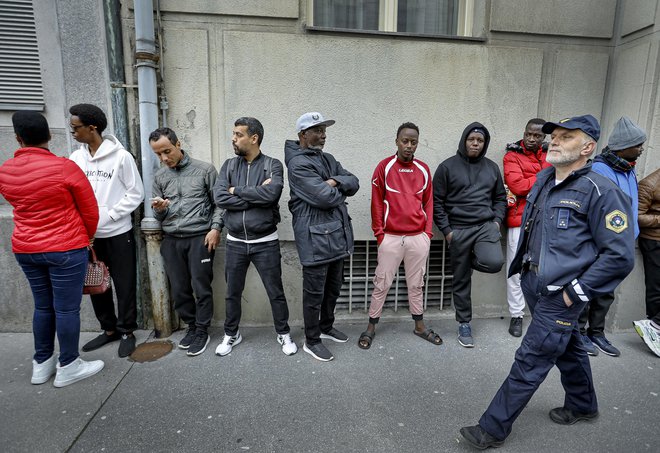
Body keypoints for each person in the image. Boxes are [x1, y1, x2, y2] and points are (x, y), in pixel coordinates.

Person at [460, 115, 635, 449]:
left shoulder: (602, 192)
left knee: (532, 358)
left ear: (588, 147)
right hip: (534, 284)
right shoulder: (544, 179)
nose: (554, 140)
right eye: (554, 136)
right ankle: (583, 405)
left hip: (561, 294)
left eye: (567, 137)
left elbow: (619, 256)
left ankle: (492, 428)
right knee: (567, 347)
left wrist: (576, 293)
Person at [0, 111, 104, 387]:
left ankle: (41, 364)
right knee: (67, 309)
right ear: (48, 136)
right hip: (66, 247)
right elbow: (90, 211)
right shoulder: (65, 167)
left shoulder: (6, 170)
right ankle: (68, 364)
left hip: (26, 248)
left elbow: (15, 201)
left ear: (18, 138)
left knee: (42, 306)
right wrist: (87, 237)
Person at [213, 117, 296, 356]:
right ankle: (231, 334)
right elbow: (220, 198)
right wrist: (255, 193)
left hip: (265, 242)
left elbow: (271, 195)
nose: (233, 138)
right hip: (236, 242)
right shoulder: (229, 165)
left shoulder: (273, 164)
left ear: (254, 138)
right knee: (232, 293)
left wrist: (236, 191)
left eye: (238, 134)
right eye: (233, 133)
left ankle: (283, 333)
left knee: (275, 292)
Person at [69, 104, 144, 358]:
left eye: (76, 127)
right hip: (88, 235)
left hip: (117, 231)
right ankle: (108, 329)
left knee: (123, 284)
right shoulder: (76, 158)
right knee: (95, 284)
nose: (73, 132)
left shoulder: (121, 157)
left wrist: (110, 215)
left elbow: (136, 192)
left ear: (93, 128)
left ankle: (126, 331)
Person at [284, 112, 359, 362]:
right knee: (314, 294)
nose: (323, 134)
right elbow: (323, 197)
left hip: (336, 236)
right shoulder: (297, 164)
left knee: (333, 288)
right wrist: (337, 189)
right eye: (317, 130)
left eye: (324, 129)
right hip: (314, 239)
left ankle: (326, 327)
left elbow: (354, 182)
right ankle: (312, 340)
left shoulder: (328, 159)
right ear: (302, 135)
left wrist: (334, 181)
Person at [358, 122, 440, 349]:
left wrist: (427, 234)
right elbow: (376, 203)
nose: (409, 146)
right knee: (381, 283)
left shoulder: (423, 169)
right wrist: (380, 235)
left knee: (416, 285)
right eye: (405, 141)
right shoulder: (384, 167)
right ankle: (371, 327)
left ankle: (420, 326)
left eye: (413, 142)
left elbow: (429, 203)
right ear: (396, 141)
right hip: (391, 237)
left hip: (417, 238)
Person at [432, 122, 506, 347]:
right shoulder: (447, 167)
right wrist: (447, 232)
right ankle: (464, 323)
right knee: (461, 279)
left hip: (485, 226)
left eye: (480, 141)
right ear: (464, 140)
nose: (475, 143)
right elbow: (436, 202)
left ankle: (471, 258)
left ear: (485, 144)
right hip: (459, 229)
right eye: (471, 139)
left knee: (494, 262)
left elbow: (500, 198)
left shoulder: (492, 168)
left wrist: (496, 222)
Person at [150, 127, 221, 357]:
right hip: (171, 240)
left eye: (167, 151)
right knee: (179, 289)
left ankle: (202, 330)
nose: (163, 158)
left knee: (201, 287)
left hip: (199, 238)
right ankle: (191, 326)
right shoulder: (160, 177)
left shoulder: (205, 170)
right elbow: (158, 217)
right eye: (158, 154)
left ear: (178, 144)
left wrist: (215, 228)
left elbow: (220, 203)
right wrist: (159, 210)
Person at [577, 116, 645, 357]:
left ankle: (597, 333)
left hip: (623, 241)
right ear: (623, 145)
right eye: (637, 145)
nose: (641, 149)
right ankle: (581, 333)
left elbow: (631, 205)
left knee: (607, 291)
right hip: (601, 242)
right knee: (590, 287)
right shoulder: (599, 169)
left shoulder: (628, 169)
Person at [503, 118, 550, 337]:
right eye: (528, 134)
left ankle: (541, 314)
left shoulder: (552, 156)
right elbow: (518, 186)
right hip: (519, 221)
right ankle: (516, 315)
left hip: (546, 220)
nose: (531, 139)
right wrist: (546, 177)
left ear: (543, 138)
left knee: (543, 268)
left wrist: (534, 179)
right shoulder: (512, 155)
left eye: (537, 136)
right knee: (515, 270)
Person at [634, 166, 660, 357]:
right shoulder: (649, 184)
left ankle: (655, 325)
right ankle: (654, 325)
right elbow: (638, 217)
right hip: (653, 241)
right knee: (656, 287)